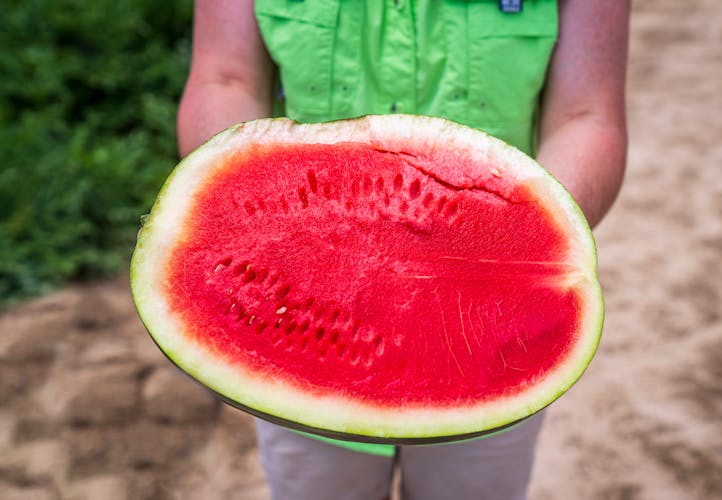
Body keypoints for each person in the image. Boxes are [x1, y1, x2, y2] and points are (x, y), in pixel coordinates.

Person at [177, 1, 629, 499]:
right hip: (300, 311)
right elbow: (225, 80)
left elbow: (586, 115)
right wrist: (233, 217)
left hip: (495, 323)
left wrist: (519, 247)